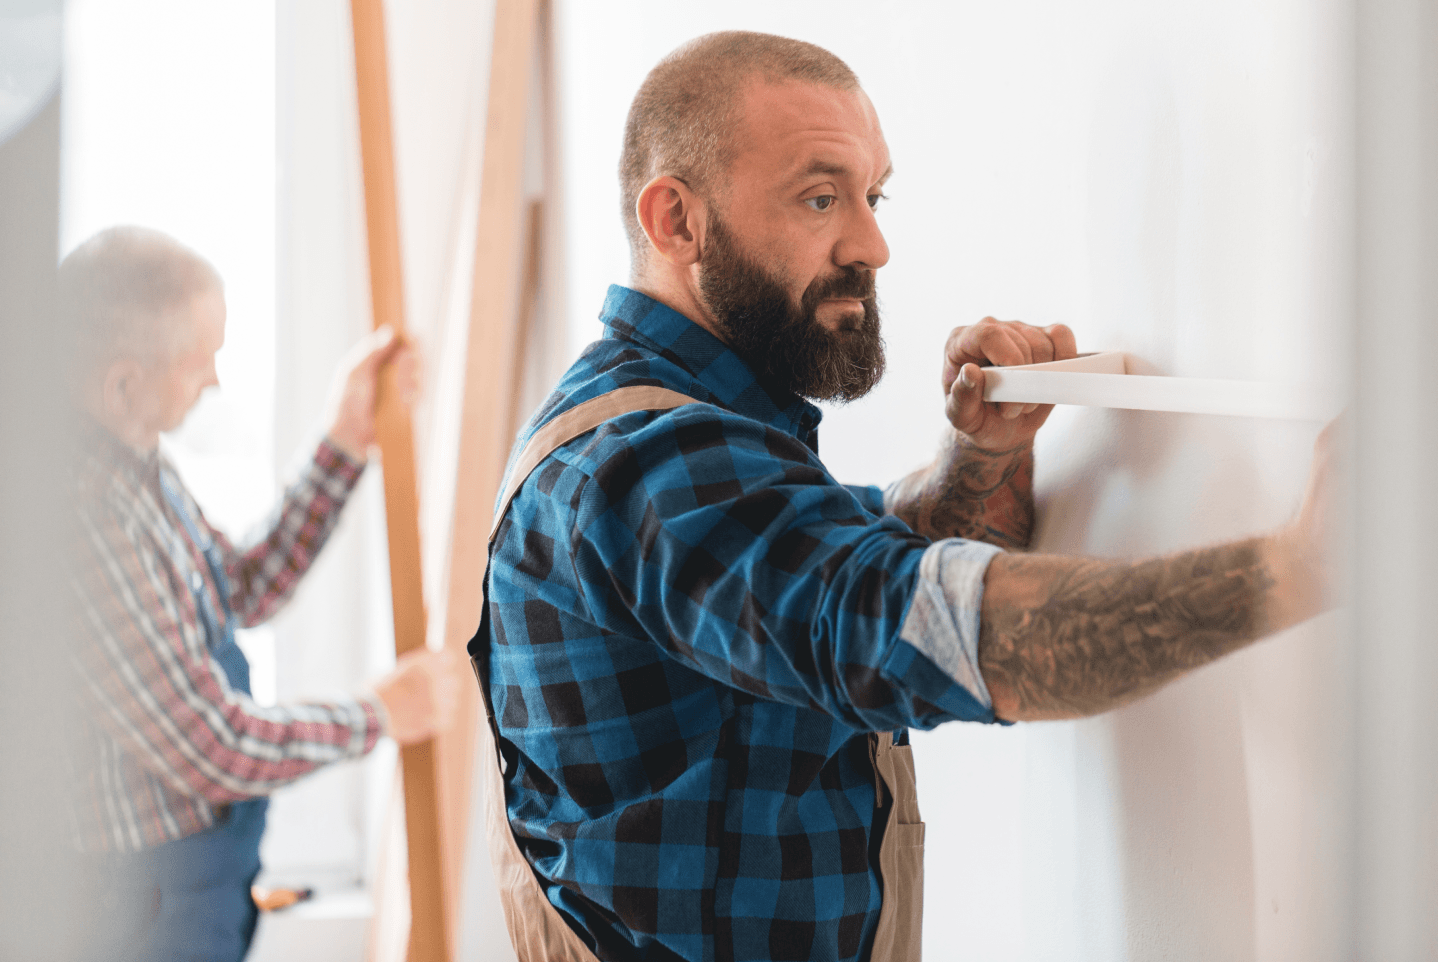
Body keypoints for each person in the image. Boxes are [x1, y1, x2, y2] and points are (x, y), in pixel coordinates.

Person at [471, 31, 1337, 962]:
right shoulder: (642, 465)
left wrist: (979, 457)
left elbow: (831, 561)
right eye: (819, 197)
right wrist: (1297, 570)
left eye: (872, 195)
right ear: (677, 220)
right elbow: (886, 619)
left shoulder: (709, 435)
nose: (872, 244)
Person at [63, 226, 464, 962]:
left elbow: (240, 587)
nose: (214, 381)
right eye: (198, 363)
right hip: (141, 906)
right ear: (123, 381)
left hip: (193, 883)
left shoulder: (137, 466)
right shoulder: (85, 520)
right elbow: (209, 745)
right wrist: (376, 715)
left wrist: (343, 441)